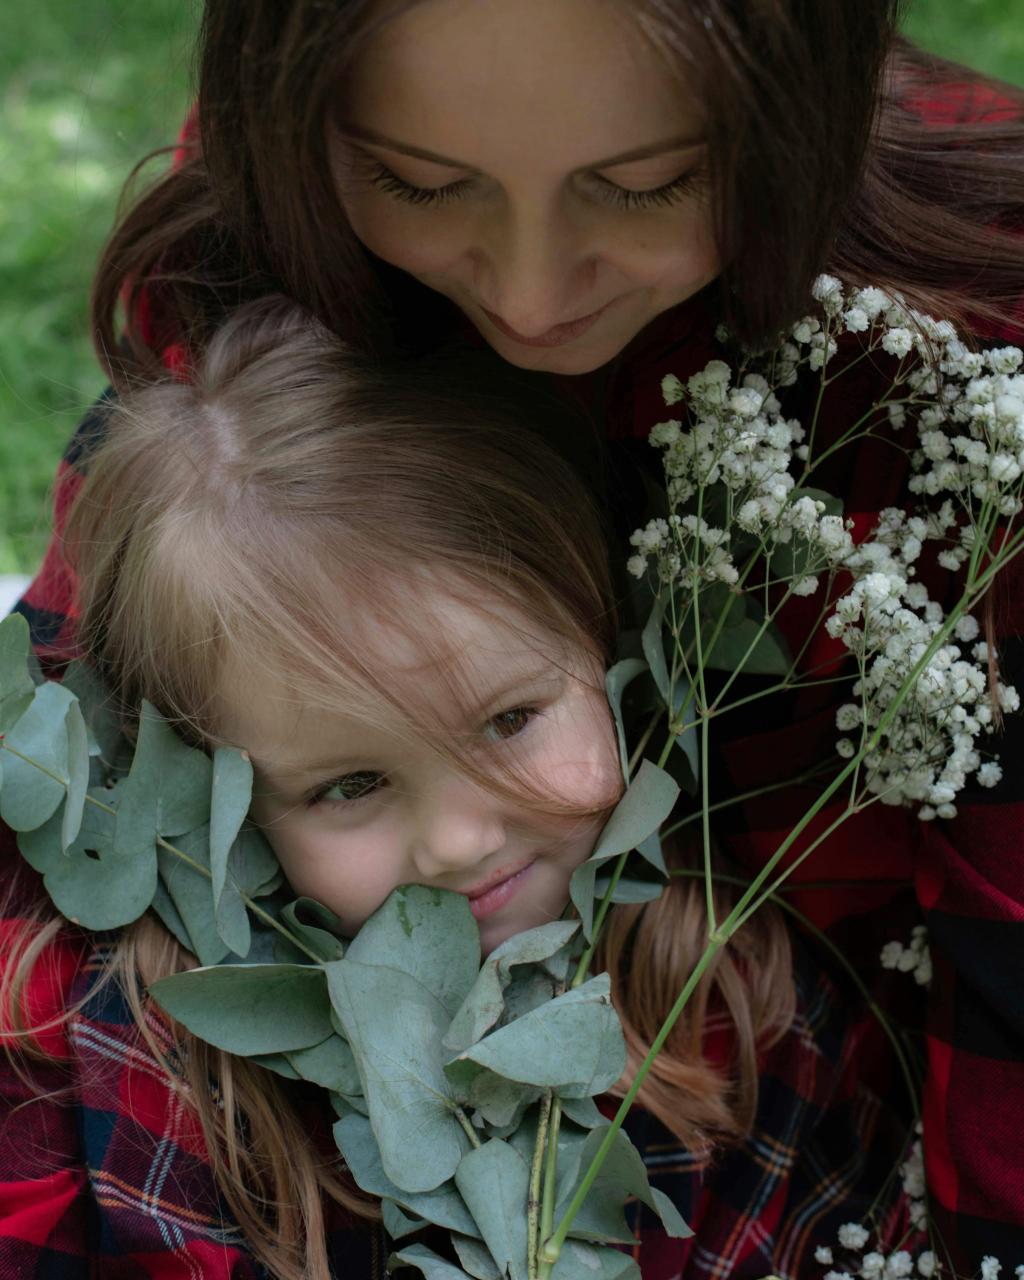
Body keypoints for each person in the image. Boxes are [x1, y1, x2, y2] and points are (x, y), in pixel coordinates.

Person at [8, 0, 1024, 1268]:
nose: (534, 295)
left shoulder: (971, 362)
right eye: (420, 183)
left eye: (648, 186)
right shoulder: (256, 307)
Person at [1, 299, 911, 1278]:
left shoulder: (732, 988)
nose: (459, 840)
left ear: (607, 637)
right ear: (204, 789)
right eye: (349, 782)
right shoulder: (161, 1053)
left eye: (508, 719)